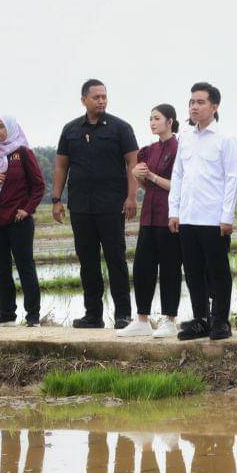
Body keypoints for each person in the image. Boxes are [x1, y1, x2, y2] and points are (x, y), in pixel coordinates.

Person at [52, 79, 139, 330]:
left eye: (104, 96)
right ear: (84, 100)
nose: (101, 100)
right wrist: (57, 200)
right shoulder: (70, 130)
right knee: (88, 262)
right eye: (96, 97)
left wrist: (132, 197)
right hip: (80, 207)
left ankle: (123, 315)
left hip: (112, 206)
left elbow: (133, 163)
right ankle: (93, 315)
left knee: (116, 260)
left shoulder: (120, 128)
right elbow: (61, 165)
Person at [168, 83, 237, 341]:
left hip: (213, 218)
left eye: (200, 102)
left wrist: (227, 217)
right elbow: (178, 175)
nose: (194, 107)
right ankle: (200, 319)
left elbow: (232, 179)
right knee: (194, 270)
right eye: (191, 102)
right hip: (188, 216)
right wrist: (173, 211)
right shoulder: (185, 136)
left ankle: (220, 320)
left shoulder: (226, 138)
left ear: (214, 106)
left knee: (218, 271)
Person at [118, 105, 182, 338]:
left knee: (169, 268)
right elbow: (149, 186)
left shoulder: (179, 148)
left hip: (170, 216)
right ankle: (142, 319)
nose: (152, 122)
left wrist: (152, 176)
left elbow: (178, 186)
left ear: (170, 121)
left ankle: (170, 319)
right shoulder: (149, 150)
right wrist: (139, 178)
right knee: (143, 267)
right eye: (150, 118)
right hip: (149, 216)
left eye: (157, 118)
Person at [0, 115, 46, 327]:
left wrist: (27, 209)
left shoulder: (22, 152)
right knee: (1, 267)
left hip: (18, 219)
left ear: (11, 129)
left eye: (1, 127)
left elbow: (38, 186)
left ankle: (33, 316)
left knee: (25, 266)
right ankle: (6, 315)